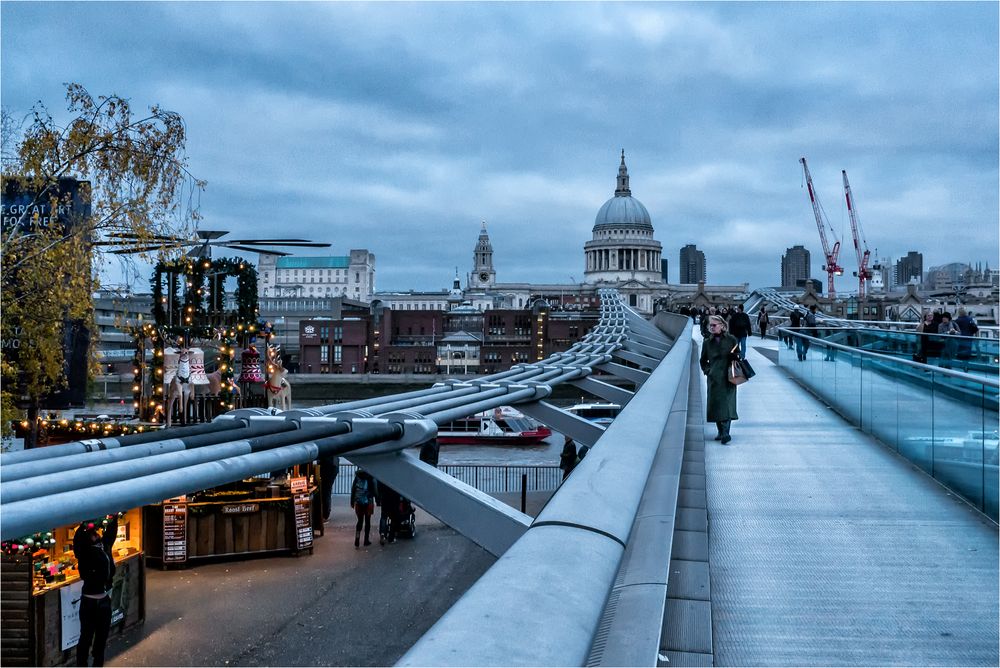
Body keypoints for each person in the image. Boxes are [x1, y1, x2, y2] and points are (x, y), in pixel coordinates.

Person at [73, 516, 118, 667]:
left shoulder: (104, 546)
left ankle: (98, 665)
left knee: (101, 640)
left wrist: (114, 518)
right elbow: (78, 541)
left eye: (96, 532)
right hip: (89, 603)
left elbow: (110, 534)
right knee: (85, 638)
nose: (97, 534)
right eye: (93, 533)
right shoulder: (84, 552)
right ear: (88, 538)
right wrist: (83, 525)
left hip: (104, 601)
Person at [699, 314, 740, 444]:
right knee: (716, 404)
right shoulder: (707, 342)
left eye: (714, 325)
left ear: (722, 326)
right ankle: (720, 432)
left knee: (727, 404)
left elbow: (738, 354)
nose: (712, 327)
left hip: (728, 376)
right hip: (714, 378)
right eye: (710, 325)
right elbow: (703, 360)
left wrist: (735, 356)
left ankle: (725, 433)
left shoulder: (731, 339)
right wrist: (708, 371)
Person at [350, 469, 379, 548]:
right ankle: (366, 540)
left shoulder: (357, 477)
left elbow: (353, 489)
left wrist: (352, 501)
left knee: (359, 521)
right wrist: (377, 500)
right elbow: (375, 490)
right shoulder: (371, 477)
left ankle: (357, 539)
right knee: (367, 521)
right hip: (368, 502)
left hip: (358, 502)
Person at [318, 454, 340, 522]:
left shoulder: (328, 458)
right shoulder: (333, 457)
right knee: (327, 492)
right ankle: (326, 513)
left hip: (328, 470)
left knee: (326, 493)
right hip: (331, 469)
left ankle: (325, 514)